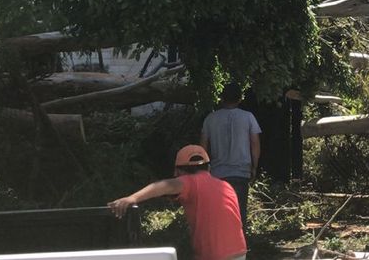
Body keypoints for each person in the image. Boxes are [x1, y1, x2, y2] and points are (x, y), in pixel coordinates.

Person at [108, 145, 246, 260]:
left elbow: (165, 186)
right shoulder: (225, 185)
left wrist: (131, 198)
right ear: (209, 168)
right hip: (239, 251)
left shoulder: (190, 182)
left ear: (178, 171)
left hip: (215, 254)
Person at [201, 82, 261, 230]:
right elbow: (255, 143)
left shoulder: (211, 118)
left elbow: (202, 146)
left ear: (221, 98)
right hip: (241, 172)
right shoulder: (248, 117)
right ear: (240, 98)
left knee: (219, 214)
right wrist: (254, 166)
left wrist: (204, 169)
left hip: (217, 174)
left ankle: (219, 246)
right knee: (239, 213)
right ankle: (240, 247)